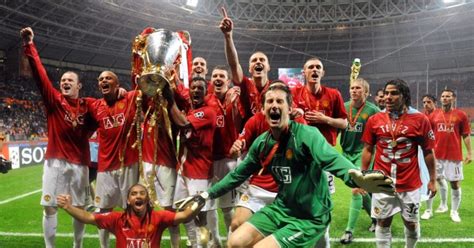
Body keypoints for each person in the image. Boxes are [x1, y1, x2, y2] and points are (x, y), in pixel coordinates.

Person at [201, 83, 393, 247]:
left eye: (280, 101)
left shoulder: (307, 135)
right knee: (234, 242)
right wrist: (206, 195)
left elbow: (331, 159)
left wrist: (354, 176)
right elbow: (237, 175)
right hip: (281, 208)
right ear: (263, 109)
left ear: (290, 108)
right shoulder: (262, 143)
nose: (274, 105)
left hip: (310, 216)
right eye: (270, 101)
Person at [21, 27, 96, 248]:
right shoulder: (53, 100)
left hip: (80, 164)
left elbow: (103, 117)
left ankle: (77, 245)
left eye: (70, 80)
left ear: (78, 85)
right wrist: (29, 45)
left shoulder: (88, 106)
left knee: (79, 207)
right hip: (54, 162)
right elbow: (40, 74)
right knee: (49, 206)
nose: (65, 82)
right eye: (63, 80)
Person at [361, 79, 437, 248]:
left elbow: (428, 152)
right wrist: (363, 176)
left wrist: (432, 180)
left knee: (411, 224)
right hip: (382, 184)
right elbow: (368, 149)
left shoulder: (420, 120)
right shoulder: (375, 120)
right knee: (382, 222)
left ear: (404, 96)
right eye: (386, 93)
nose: (388, 97)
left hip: (409, 184)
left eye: (394, 93)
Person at [291, 57, 347, 247]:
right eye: (310, 67)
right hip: (300, 158)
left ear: (322, 73)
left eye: (318, 67)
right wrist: (292, 113)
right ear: (304, 72)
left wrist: (325, 119)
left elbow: (344, 123)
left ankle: (324, 241)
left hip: (324, 159)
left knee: (322, 203)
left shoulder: (333, 94)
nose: (314, 70)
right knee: (300, 202)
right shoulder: (293, 93)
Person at [57, 184, 204, 248]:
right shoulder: (117, 219)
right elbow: (89, 217)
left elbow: (184, 216)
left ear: (147, 199)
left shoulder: (159, 217)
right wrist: (68, 207)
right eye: (133, 194)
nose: (138, 196)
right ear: (128, 200)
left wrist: (200, 202)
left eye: (142, 193)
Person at [88, 71, 140, 248]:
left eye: (108, 78)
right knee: (102, 211)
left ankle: (131, 243)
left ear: (117, 84)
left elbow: (145, 89)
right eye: (101, 78)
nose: (103, 80)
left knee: (132, 209)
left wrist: (128, 88)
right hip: (105, 168)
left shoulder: (130, 98)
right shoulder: (95, 106)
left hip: (129, 165)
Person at [167, 76, 217, 247]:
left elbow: (183, 123)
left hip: (200, 173)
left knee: (200, 215)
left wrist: (169, 97)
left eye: (200, 88)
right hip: (184, 170)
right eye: (193, 87)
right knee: (182, 211)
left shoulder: (208, 112)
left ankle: (205, 245)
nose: (196, 90)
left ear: (206, 92)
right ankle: (195, 243)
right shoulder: (189, 108)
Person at [205, 65, 244, 246]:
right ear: (211, 81)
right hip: (209, 161)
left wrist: (234, 104)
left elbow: (240, 123)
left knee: (228, 208)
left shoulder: (236, 99)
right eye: (215, 76)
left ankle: (231, 241)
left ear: (228, 81)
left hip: (229, 160)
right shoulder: (206, 101)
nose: (218, 79)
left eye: (222, 76)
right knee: (209, 205)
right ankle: (216, 241)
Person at [339, 78, 380, 244]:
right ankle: (376, 218)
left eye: (358, 88)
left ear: (366, 92)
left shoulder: (373, 111)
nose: (354, 91)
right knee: (361, 191)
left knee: (356, 189)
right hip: (345, 153)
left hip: (363, 153)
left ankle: (349, 231)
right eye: (352, 88)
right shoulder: (343, 107)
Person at [422, 89, 471, 222]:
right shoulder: (434, 115)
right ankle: (428, 210)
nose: (445, 98)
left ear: (453, 98)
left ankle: (454, 211)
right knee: (431, 181)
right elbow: (428, 133)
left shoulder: (460, 115)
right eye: (443, 96)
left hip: (454, 156)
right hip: (436, 155)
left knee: (455, 184)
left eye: (448, 96)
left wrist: (470, 153)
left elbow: (466, 134)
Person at [220, 7, 271, 118]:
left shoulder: (275, 87)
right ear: (249, 69)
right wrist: (228, 36)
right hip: (248, 133)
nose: (258, 62)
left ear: (268, 67)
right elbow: (234, 65)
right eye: (254, 60)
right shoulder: (245, 85)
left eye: (262, 60)